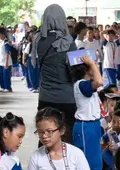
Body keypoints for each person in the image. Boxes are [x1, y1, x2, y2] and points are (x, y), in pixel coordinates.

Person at [34, 5, 79, 139]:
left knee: (45, 138)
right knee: (67, 139)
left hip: (45, 97)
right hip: (67, 97)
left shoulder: (38, 40)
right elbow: (77, 71)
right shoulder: (69, 41)